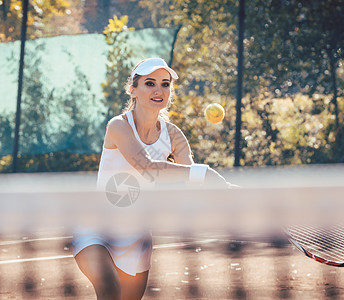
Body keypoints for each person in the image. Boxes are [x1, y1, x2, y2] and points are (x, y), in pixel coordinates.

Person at [72, 57, 230, 300]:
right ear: (133, 90)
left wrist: (221, 192)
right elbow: (146, 166)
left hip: (137, 236)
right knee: (109, 291)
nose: (159, 90)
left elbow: (188, 181)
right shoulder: (118, 126)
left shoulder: (174, 135)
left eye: (165, 84)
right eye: (150, 83)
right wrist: (204, 174)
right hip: (97, 228)